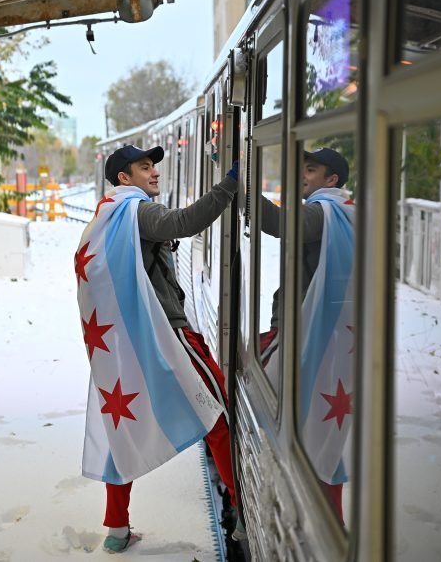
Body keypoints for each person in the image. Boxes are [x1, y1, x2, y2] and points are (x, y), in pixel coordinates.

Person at [74, 144, 239, 553]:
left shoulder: (107, 213)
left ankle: (117, 529)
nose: (155, 173)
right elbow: (183, 221)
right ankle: (242, 514)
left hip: (130, 342)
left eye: (154, 166)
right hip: (167, 335)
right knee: (216, 411)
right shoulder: (139, 210)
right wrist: (230, 185)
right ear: (124, 178)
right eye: (145, 167)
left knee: (122, 427)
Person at [257, 148, 355, 523]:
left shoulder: (321, 212)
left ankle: (290, 515)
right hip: (333, 338)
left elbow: (279, 222)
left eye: (310, 170)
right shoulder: (346, 212)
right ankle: (329, 519)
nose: (302, 174)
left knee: (284, 414)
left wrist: (240, 187)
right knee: (323, 428)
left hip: (308, 337)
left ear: (331, 180)